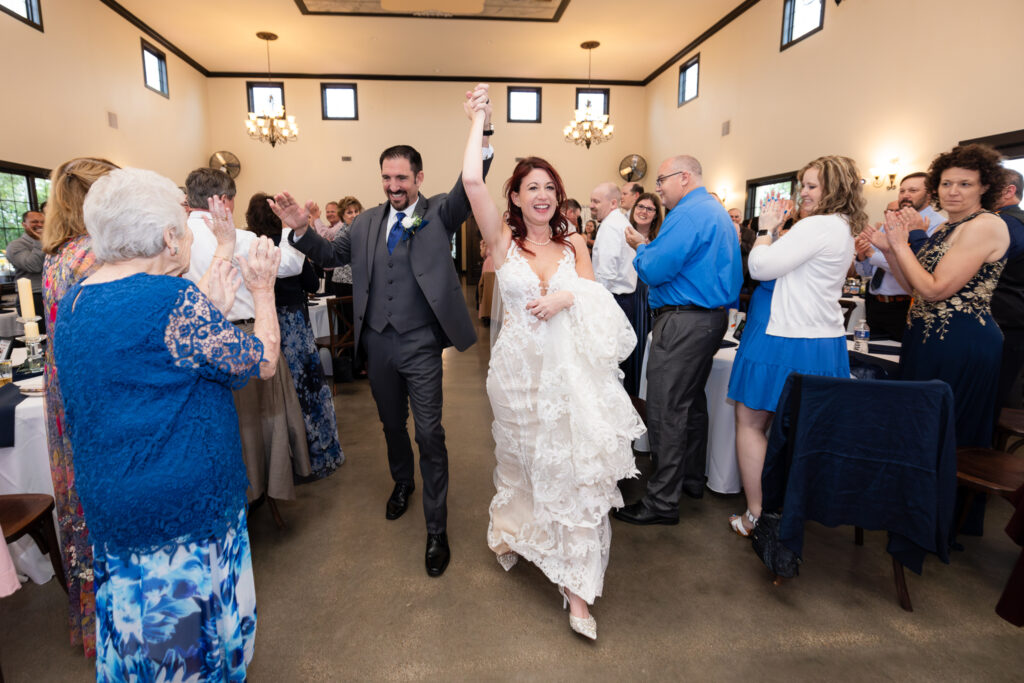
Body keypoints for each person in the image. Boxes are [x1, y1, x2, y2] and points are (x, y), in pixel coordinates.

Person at [54, 167, 281, 680]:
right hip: (181, 511)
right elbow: (261, 361)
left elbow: (155, 358)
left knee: (142, 647)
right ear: (167, 237)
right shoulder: (171, 303)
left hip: (115, 503)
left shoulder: (77, 301)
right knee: (188, 651)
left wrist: (209, 308)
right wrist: (262, 290)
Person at [269, 85, 494, 577]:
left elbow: (471, 181)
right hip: (377, 343)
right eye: (387, 177)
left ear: (418, 178)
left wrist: (483, 125)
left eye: (402, 177)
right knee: (392, 425)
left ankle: (437, 528)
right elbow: (331, 257)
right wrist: (300, 230)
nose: (394, 185)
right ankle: (401, 482)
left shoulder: (439, 212)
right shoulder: (366, 222)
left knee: (430, 432)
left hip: (420, 343)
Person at [461, 88, 643, 641]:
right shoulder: (500, 242)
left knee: (572, 476)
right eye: (531, 187)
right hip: (514, 380)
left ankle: (577, 591)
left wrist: (569, 297)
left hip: (568, 382)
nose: (541, 195)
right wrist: (480, 121)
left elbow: (602, 310)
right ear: (514, 197)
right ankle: (519, 531)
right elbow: (472, 180)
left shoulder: (576, 248)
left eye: (549, 188)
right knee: (526, 470)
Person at [726, 157, 865, 535]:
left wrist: (767, 230)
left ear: (834, 189)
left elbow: (760, 268)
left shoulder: (819, 225)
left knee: (751, 421)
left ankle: (756, 513)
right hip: (820, 338)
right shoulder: (841, 228)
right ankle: (792, 507)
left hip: (783, 338)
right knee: (799, 429)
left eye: (812, 186)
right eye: (802, 185)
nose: (803, 192)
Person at [615, 155, 741, 524]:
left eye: (661, 181)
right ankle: (690, 478)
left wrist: (640, 247)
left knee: (665, 409)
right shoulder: (713, 210)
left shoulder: (688, 214)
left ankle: (661, 502)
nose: (658, 189)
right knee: (691, 404)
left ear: (684, 177)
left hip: (684, 321)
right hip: (709, 320)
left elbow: (654, 269)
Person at [864, 144, 1010, 448]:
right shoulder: (945, 227)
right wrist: (891, 250)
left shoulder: (986, 225)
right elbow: (914, 288)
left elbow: (935, 289)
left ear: (985, 187)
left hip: (961, 342)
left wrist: (902, 244)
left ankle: (946, 495)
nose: (953, 191)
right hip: (925, 338)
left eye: (964, 184)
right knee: (916, 426)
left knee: (946, 433)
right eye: (946, 183)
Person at [184, 168, 313, 505]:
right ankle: (262, 488)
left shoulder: (174, 239)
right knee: (259, 422)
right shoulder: (241, 239)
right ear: (224, 201)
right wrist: (289, 229)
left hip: (195, 347)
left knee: (223, 425)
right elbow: (292, 265)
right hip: (245, 337)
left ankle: (233, 493)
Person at [39, 156, 119, 658]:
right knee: (106, 505)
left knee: (79, 509)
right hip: (98, 395)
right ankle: (120, 624)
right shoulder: (95, 257)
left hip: (64, 392)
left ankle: (93, 621)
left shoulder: (56, 256)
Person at [246, 192, 344, 480]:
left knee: (276, 397)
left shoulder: (252, 246)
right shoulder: (289, 245)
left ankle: (281, 463)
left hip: (263, 324)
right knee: (308, 389)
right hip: (293, 325)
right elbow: (312, 282)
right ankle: (318, 457)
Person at [853, 173, 946, 340]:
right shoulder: (892, 221)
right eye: (902, 191)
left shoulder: (937, 225)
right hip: (875, 301)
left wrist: (873, 254)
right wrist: (862, 255)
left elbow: (917, 265)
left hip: (906, 303)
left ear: (930, 194)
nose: (906, 195)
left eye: (913, 190)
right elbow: (868, 271)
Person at [591, 182, 642, 392]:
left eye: (596, 201)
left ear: (613, 203)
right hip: (622, 298)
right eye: (591, 200)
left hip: (613, 299)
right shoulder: (618, 221)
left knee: (610, 360)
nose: (591, 205)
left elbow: (606, 271)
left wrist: (595, 305)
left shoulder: (611, 226)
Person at [620, 192, 664, 396]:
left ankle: (642, 396)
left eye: (650, 209)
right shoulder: (621, 232)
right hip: (624, 295)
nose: (644, 211)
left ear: (656, 215)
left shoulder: (660, 239)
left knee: (643, 343)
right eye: (640, 206)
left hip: (647, 295)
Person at [991, 169, 1024, 411]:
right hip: (1016, 317)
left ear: (1009, 191)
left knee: (992, 393)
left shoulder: (1002, 223)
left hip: (1002, 317)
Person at [8, 209, 46, 328]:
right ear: (24, 224)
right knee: (39, 338)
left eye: (42, 222)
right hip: (32, 298)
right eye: (34, 222)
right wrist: (39, 240)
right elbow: (33, 266)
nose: (39, 225)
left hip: (50, 295)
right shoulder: (15, 245)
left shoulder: (50, 242)